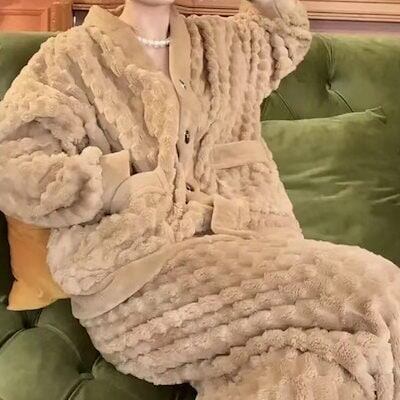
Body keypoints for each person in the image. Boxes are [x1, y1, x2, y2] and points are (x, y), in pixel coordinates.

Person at [0, 0, 399, 398]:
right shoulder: (70, 57)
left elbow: (289, 31)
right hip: (139, 278)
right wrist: (114, 183)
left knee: (322, 371)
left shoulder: (224, 42)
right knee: (379, 290)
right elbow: (12, 167)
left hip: (250, 246)